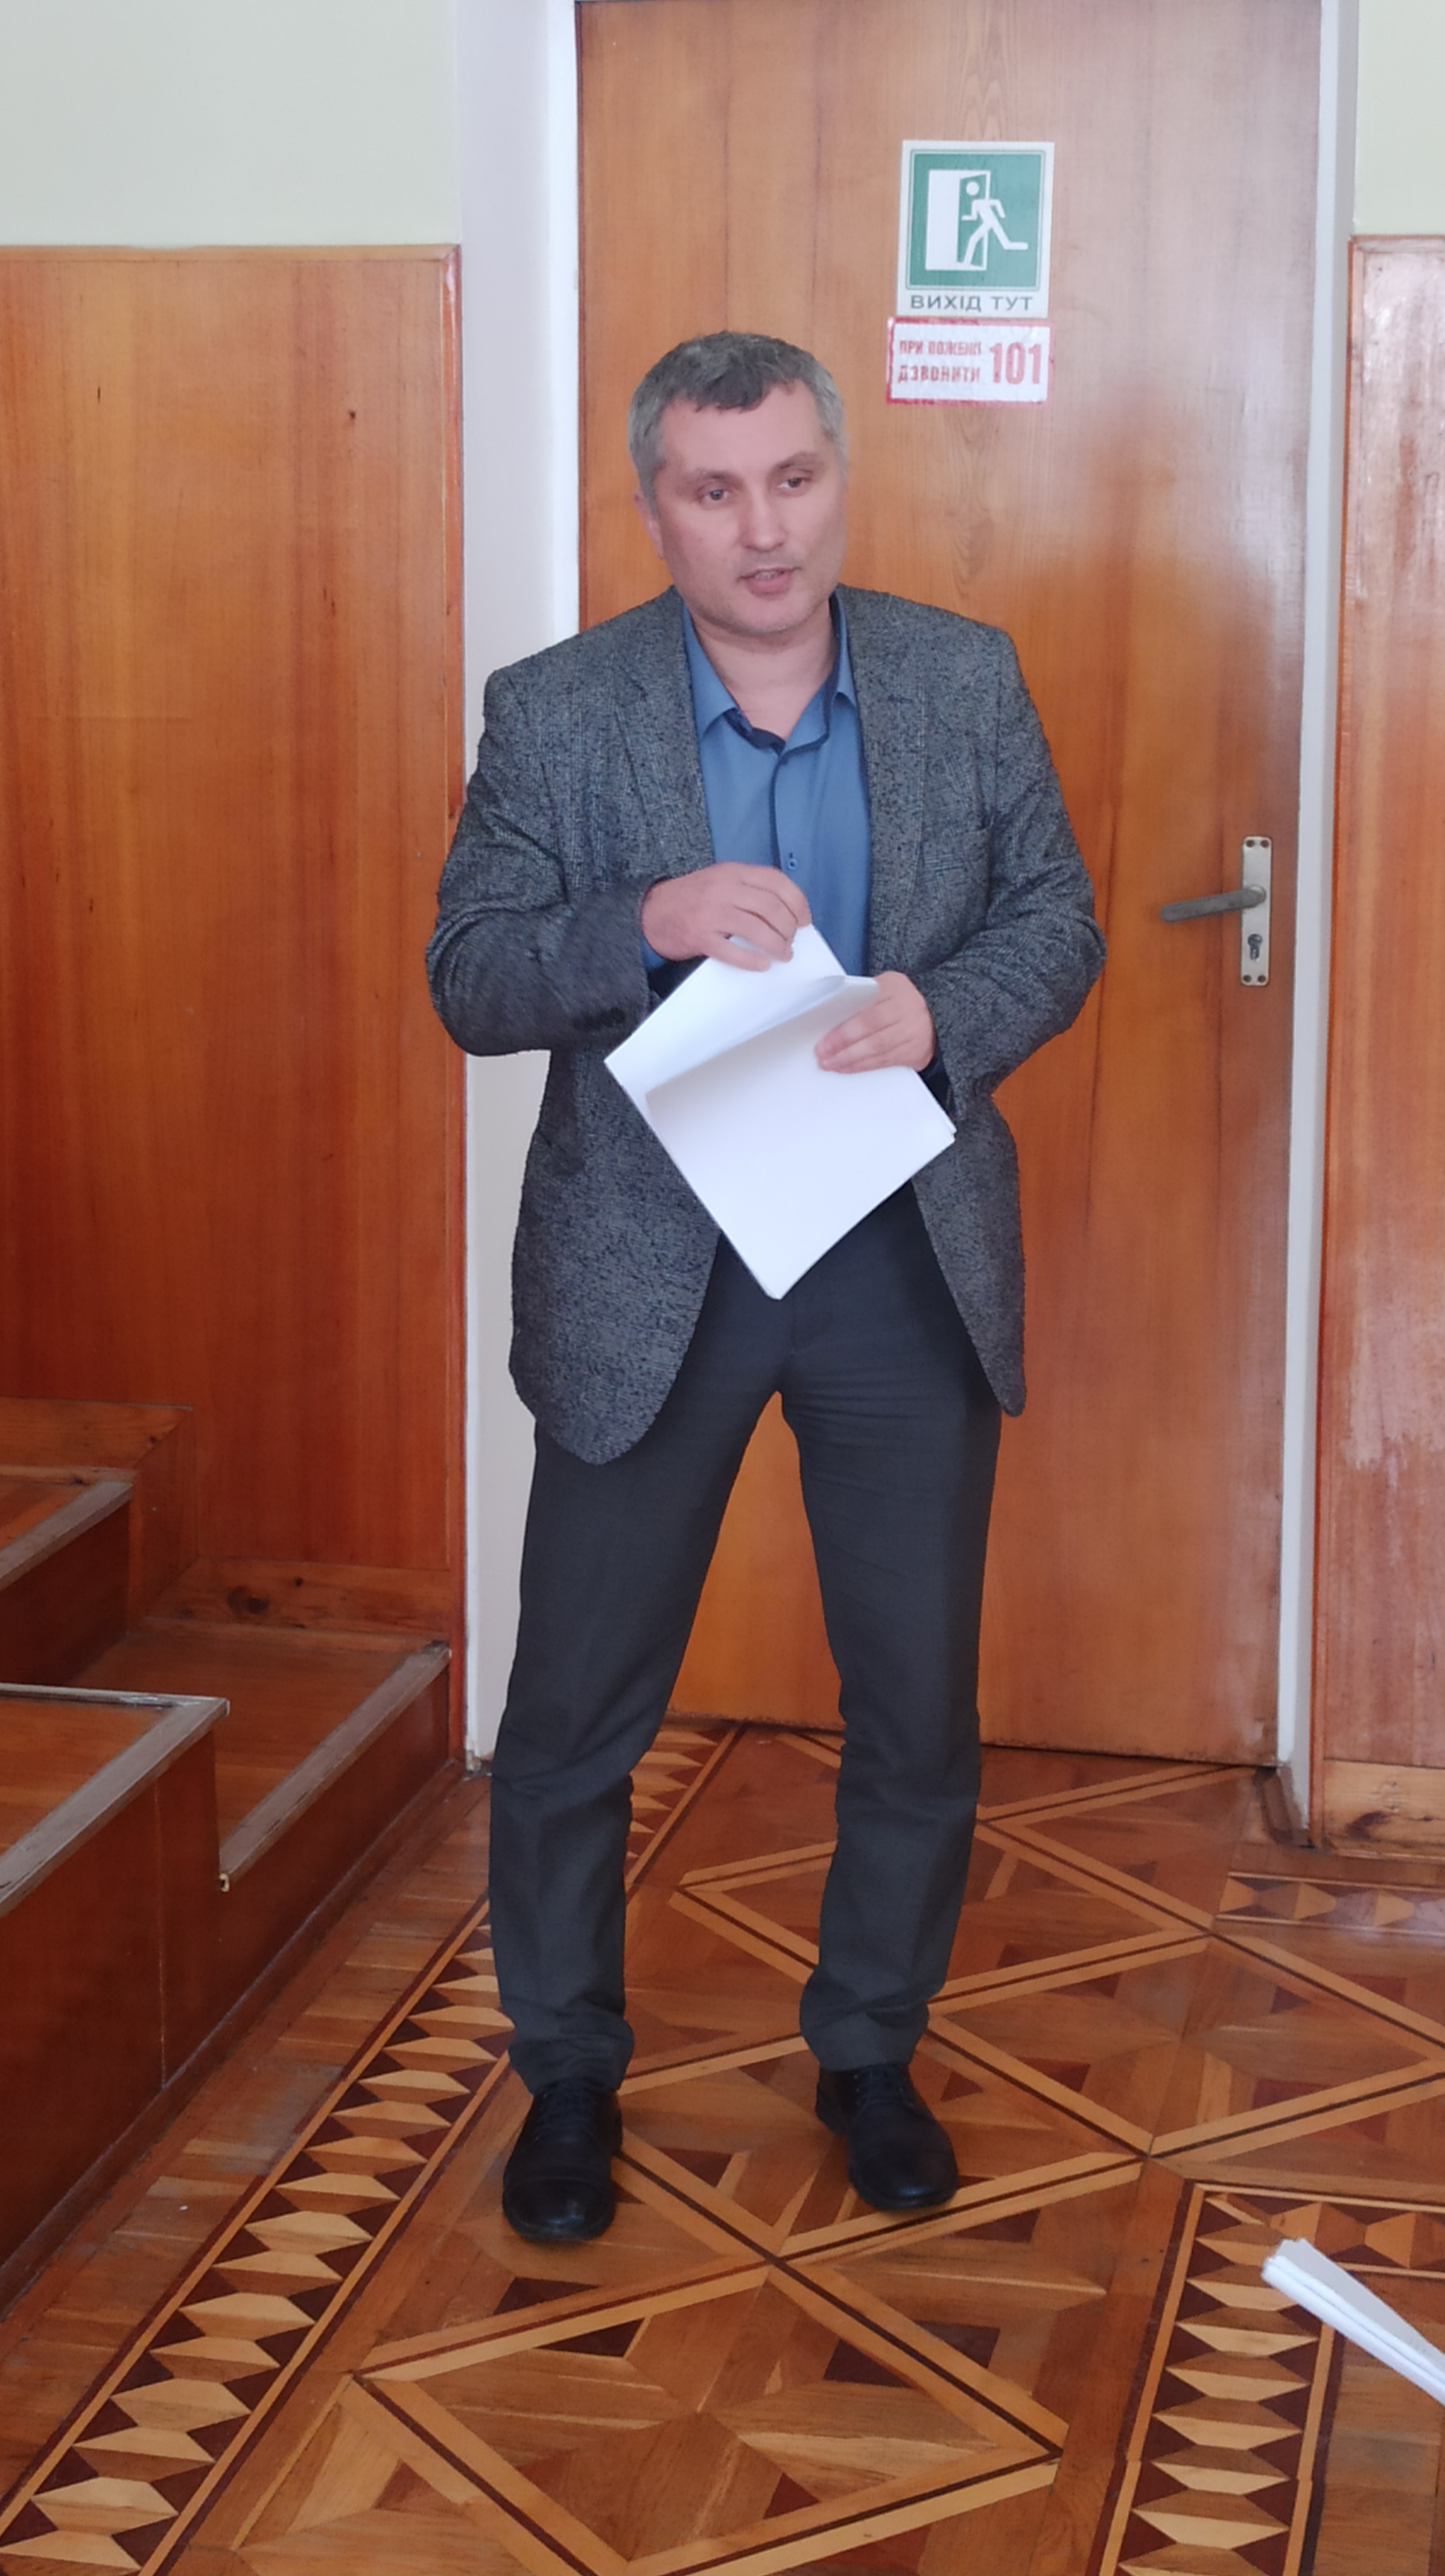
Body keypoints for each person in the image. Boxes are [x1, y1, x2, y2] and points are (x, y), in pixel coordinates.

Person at [426, 331, 1104, 2245]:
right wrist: (637, 923)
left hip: (902, 1259)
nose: (762, 528)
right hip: (650, 1283)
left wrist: (940, 1014)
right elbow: (470, 974)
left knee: (914, 1701)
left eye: (793, 479)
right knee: (575, 1710)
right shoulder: (556, 708)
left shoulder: (963, 679)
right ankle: (567, 2070)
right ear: (654, 506)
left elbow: (1055, 921)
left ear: (836, 478)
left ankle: (868, 2049)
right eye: (713, 490)